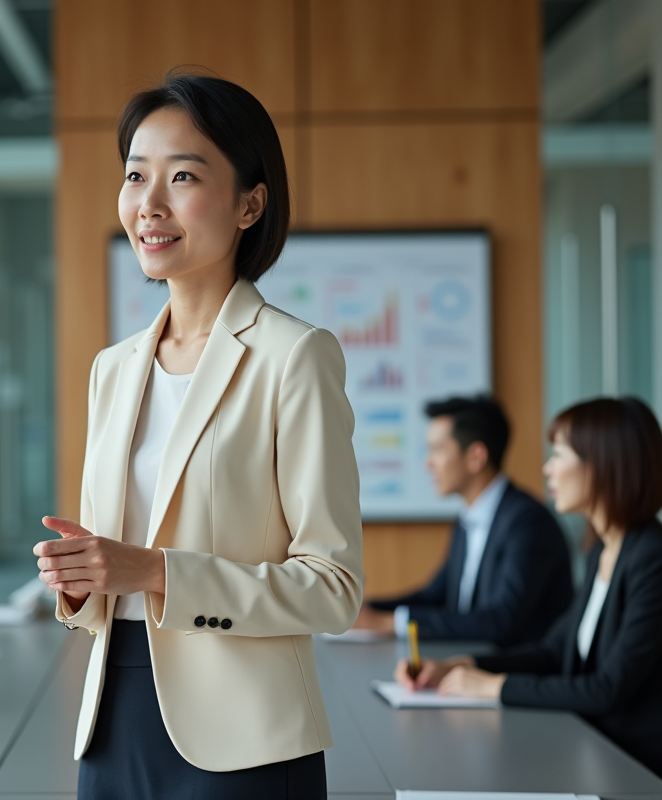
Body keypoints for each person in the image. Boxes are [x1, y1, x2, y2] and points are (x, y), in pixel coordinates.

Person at [33, 72, 363, 798]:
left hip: (244, 738)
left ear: (251, 202)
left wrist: (152, 573)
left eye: (182, 176)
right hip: (112, 718)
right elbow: (108, 571)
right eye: (134, 176)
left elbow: (333, 589)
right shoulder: (113, 369)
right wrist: (80, 578)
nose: (148, 205)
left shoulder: (294, 356)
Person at [398, 397, 662, 777]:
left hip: (634, 770)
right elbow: (553, 652)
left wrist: (494, 687)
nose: (547, 469)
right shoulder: (603, 552)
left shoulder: (651, 558)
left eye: (558, 454)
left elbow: (607, 688)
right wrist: (465, 665)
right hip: (592, 750)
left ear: (603, 464)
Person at [354, 395, 573, 646]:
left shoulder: (528, 523)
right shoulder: (468, 520)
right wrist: (364, 609)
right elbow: (436, 596)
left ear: (475, 457)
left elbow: (502, 620)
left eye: (437, 450)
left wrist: (388, 623)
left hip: (517, 673)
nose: (428, 462)